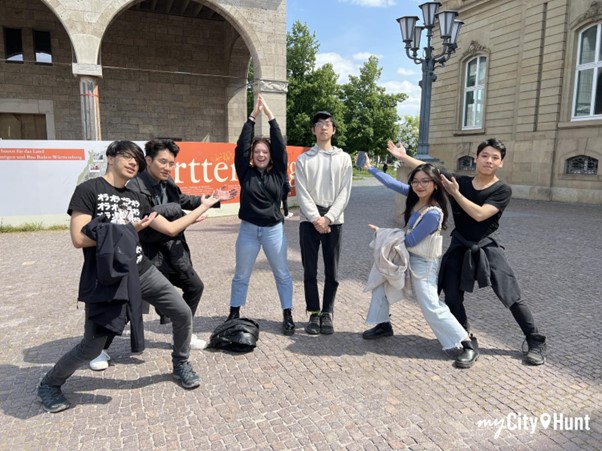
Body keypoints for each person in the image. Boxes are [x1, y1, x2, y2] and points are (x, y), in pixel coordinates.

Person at [37, 141, 221, 413]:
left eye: (136, 158)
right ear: (110, 158)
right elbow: (78, 238)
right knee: (91, 346)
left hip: (141, 269)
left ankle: (180, 363)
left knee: (182, 312)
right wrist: (126, 229)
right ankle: (49, 384)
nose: (133, 162)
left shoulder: (137, 198)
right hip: (108, 277)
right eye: (126, 156)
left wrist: (203, 207)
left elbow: (169, 229)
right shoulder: (89, 190)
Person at [386, 138, 547, 366]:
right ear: (476, 159)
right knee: (451, 295)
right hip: (459, 244)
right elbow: (434, 172)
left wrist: (456, 194)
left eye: (495, 158)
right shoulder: (459, 181)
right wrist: (403, 157)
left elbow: (480, 214)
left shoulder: (502, 190)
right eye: (485, 156)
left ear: (500, 163)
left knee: (511, 295)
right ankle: (465, 340)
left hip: (486, 246)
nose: (489, 161)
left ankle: (535, 341)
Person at [361, 157, 474, 366]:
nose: (419, 185)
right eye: (415, 181)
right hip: (406, 257)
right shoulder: (415, 198)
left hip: (424, 265)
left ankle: (466, 343)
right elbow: (391, 183)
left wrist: (382, 232)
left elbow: (411, 240)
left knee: (430, 304)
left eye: (425, 181)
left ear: (435, 184)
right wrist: (371, 168)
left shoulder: (433, 213)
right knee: (381, 284)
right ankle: (383, 324)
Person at [225, 94, 295, 335]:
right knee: (241, 275)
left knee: (282, 274)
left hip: (273, 231)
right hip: (248, 231)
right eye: (257, 152)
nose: (261, 155)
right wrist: (252, 117)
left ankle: (287, 314)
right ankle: (234, 313)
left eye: (265, 151)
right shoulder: (246, 172)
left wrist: (271, 117)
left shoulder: (278, 174)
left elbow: (280, 146)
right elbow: (241, 147)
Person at [295, 111, 353, 335]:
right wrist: (315, 218)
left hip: (334, 219)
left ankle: (327, 312)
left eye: (327, 124)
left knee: (332, 270)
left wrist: (328, 218)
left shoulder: (344, 158)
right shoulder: (304, 159)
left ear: (334, 130)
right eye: (318, 124)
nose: (323, 128)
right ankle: (313, 312)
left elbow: (345, 192)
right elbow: (301, 192)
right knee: (310, 269)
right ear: (313, 130)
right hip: (309, 220)